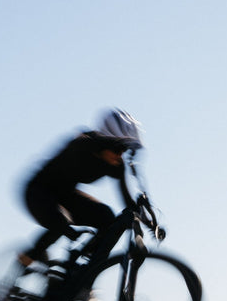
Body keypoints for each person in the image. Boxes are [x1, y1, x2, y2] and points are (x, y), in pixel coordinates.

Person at [18, 108, 144, 271]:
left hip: (64, 195)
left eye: (124, 150)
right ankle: (23, 266)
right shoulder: (82, 145)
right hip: (38, 191)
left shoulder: (116, 165)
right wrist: (66, 229)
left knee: (107, 217)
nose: (120, 155)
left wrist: (143, 218)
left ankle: (83, 272)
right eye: (117, 148)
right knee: (61, 222)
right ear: (104, 142)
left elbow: (127, 200)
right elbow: (53, 188)